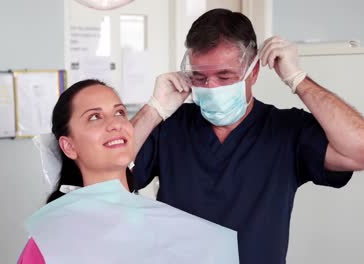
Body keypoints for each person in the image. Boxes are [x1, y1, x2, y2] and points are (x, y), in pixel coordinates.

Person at [131, 8, 364, 264]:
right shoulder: (171, 126)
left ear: (253, 73)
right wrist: (154, 109)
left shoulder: (287, 130)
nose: (211, 87)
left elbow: (359, 150)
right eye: (199, 77)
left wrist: (298, 80)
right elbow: (105, 175)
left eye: (224, 76)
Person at [18, 79, 239, 264]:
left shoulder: (172, 230)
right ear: (69, 146)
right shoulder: (52, 239)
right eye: (94, 116)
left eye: (120, 113)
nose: (115, 123)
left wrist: (157, 108)